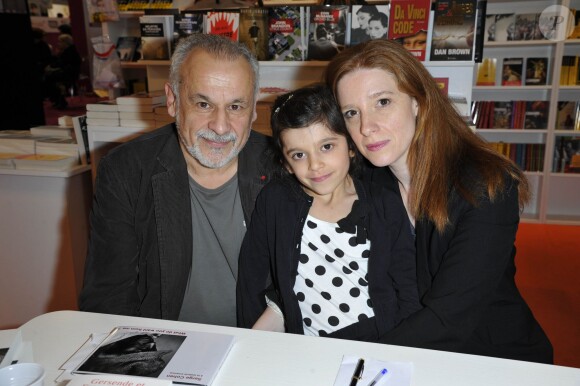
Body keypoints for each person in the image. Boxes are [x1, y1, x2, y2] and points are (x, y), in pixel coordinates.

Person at [325, 39, 553, 363]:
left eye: (383, 102)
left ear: (418, 101)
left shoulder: (486, 186)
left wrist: (353, 360)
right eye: (352, 112)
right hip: (412, 351)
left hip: (494, 359)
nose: (366, 127)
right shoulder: (368, 182)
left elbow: (449, 319)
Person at [79, 34, 272, 327]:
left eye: (235, 107)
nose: (220, 127)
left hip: (261, 347)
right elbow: (108, 298)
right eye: (203, 104)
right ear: (172, 101)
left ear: (254, 108)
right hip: (163, 348)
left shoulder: (284, 165)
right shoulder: (126, 171)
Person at [237, 84, 421, 339]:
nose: (315, 165)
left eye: (326, 147)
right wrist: (250, 343)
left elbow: (408, 287)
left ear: (351, 146)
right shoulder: (276, 201)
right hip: (310, 350)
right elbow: (252, 277)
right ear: (286, 164)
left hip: (377, 342)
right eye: (299, 155)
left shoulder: (383, 202)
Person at [44, 33, 81, 109]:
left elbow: (62, 63)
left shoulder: (69, 52)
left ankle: (58, 100)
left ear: (65, 42)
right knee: (49, 77)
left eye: (60, 42)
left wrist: (51, 67)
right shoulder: (69, 50)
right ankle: (58, 100)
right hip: (68, 73)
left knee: (49, 78)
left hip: (69, 74)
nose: (58, 44)